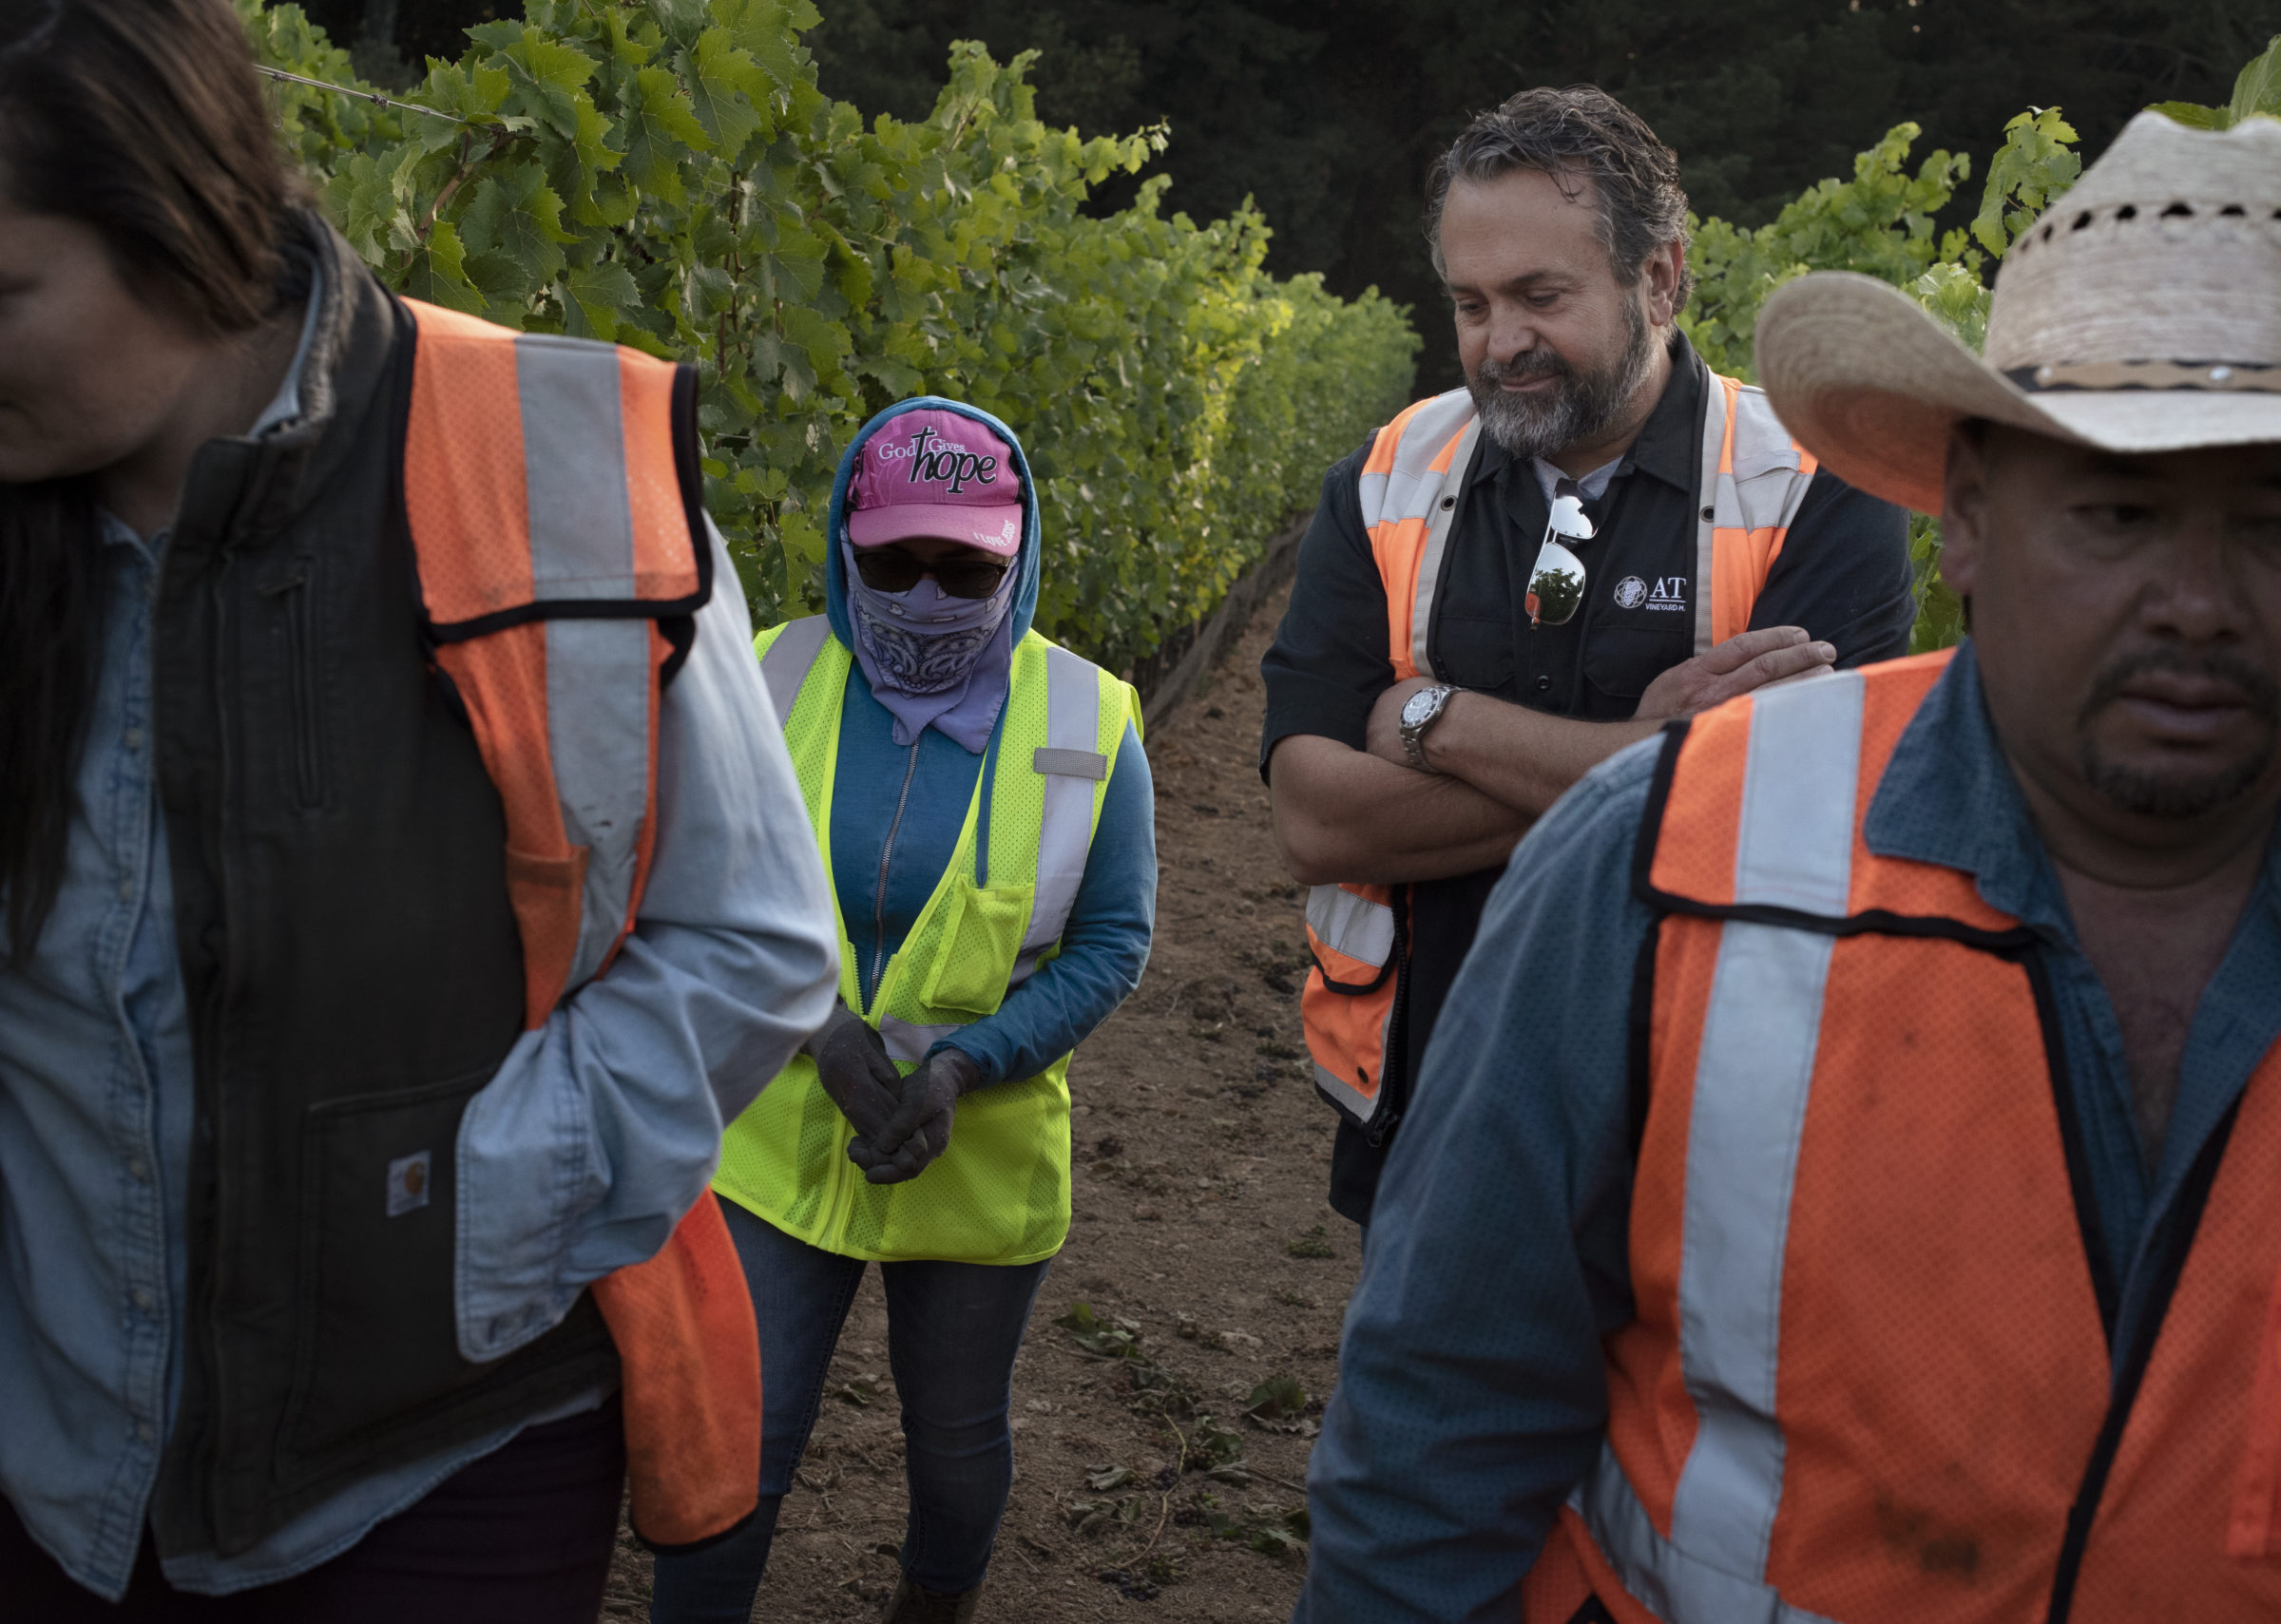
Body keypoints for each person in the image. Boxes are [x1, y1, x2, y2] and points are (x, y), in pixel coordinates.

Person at [1299, 109, 2281, 1623]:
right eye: (2114, 514)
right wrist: (1622, 755)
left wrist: (1427, 718)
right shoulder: (1649, 860)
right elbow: (1437, 1442)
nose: (2195, 603)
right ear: (1966, 520)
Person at [0, 1, 839, 1615]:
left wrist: (470, 1216)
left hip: (436, 1460)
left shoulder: (551, 457)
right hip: (46, 1453)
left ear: (171, 220)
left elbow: (749, 940)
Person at [1260, 86, 1915, 1232]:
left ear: (1660, 277)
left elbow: (1796, 817)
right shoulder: (1385, 478)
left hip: (1702, 1146)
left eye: (1538, 296)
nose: (1498, 341)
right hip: (1431, 1121)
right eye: (1470, 303)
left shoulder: (1813, 490)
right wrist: (1648, 765)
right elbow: (1315, 818)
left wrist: (1427, 718)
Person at [649, 399, 1157, 1624]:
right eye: (894, 563)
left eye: (965, 566)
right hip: (772, 1137)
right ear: (845, 543)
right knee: (741, 1439)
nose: (927, 595)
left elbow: (1111, 939)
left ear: (1016, 556)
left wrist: (968, 1065)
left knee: (953, 1439)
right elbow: (691, 879)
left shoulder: (1092, 720)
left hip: (976, 1149)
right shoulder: (767, 675)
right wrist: (811, 1028)